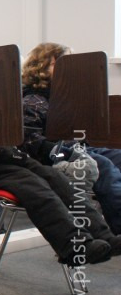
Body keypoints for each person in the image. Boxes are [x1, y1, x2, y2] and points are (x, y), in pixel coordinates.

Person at [0, 47, 121, 268]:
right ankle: (74, 246)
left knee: (57, 179)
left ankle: (103, 234)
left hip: (0, 163)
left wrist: (7, 150)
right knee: (36, 189)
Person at [21, 42, 121, 234]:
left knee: (117, 157)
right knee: (104, 167)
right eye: (59, 63)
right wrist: (67, 152)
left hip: (77, 149)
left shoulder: (64, 98)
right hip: (53, 157)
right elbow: (30, 142)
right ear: (40, 68)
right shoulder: (32, 101)